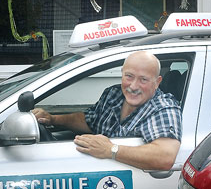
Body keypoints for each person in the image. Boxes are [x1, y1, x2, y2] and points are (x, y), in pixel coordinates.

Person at [31, 51, 182, 171]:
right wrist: (52, 119)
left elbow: (165, 157)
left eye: (143, 79)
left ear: (157, 83)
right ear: (122, 73)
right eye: (129, 76)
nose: (134, 86)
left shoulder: (163, 108)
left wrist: (111, 150)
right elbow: (90, 120)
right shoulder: (114, 94)